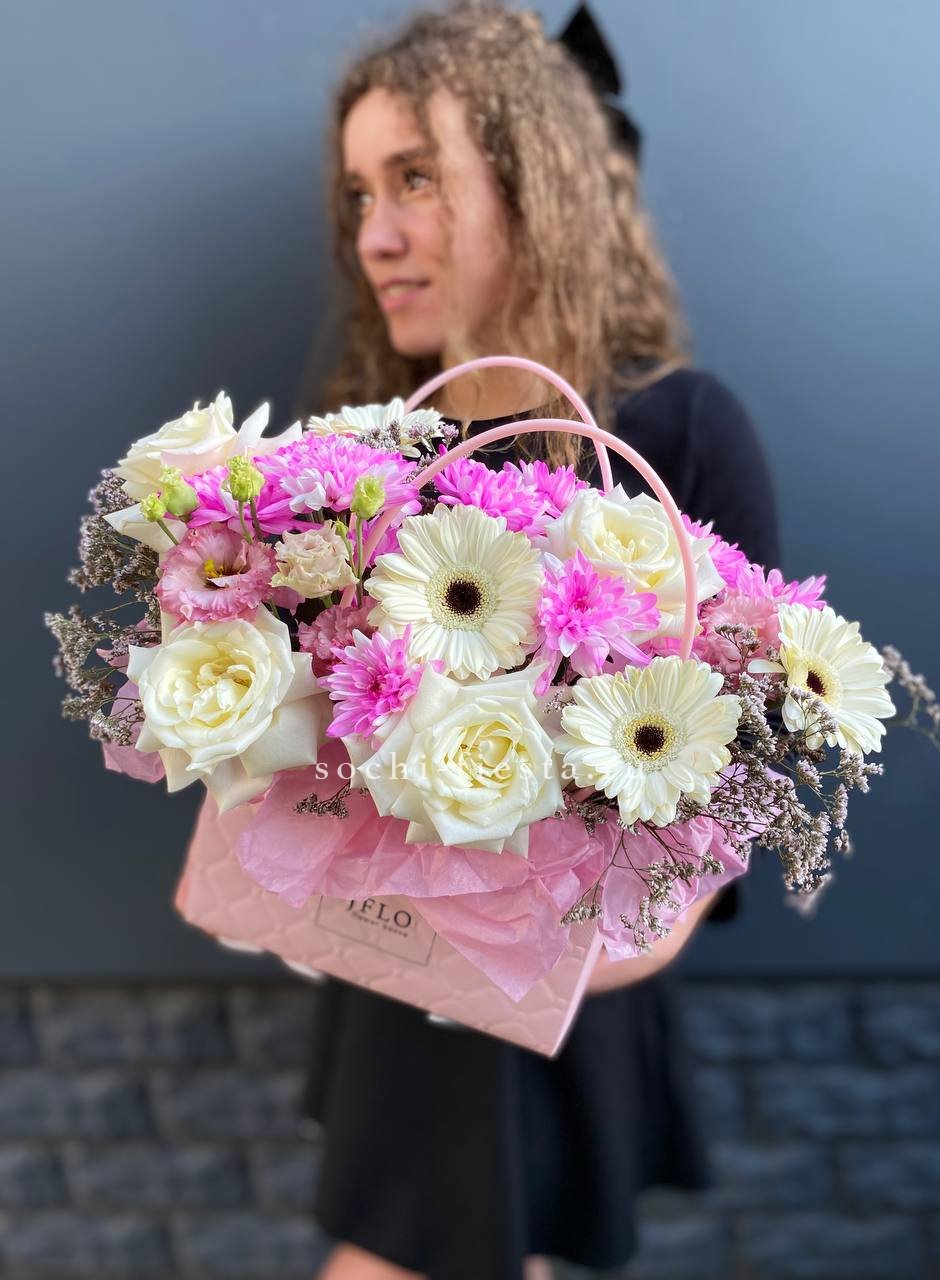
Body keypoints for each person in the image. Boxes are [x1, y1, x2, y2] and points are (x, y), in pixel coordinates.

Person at [296, 5, 780, 1278]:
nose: (376, 235)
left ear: (535, 187)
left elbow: (734, 801)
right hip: (394, 992)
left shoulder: (676, 433)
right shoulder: (367, 450)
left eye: (416, 179)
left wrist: (511, 950)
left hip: (563, 999)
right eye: (361, 194)